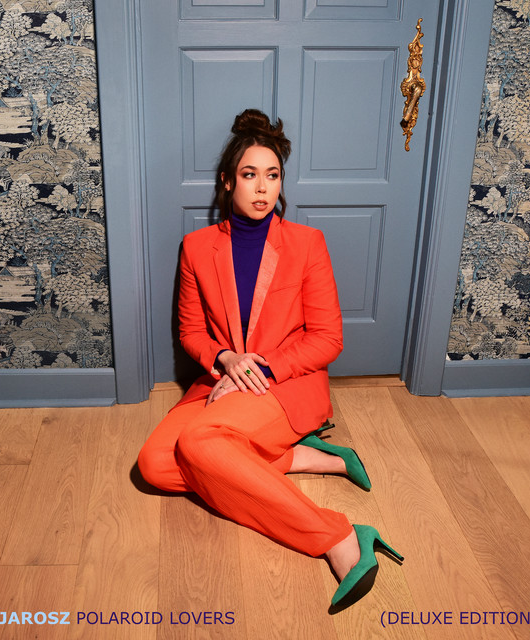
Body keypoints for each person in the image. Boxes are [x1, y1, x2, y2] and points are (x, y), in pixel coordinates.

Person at [138, 109, 403, 613]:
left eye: (273, 175)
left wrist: (257, 369)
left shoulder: (306, 244)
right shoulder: (196, 248)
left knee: (197, 443)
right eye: (249, 175)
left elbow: (328, 339)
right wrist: (225, 358)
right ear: (227, 181)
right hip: (221, 380)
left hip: (285, 383)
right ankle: (306, 458)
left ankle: (340, 536)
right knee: (154, 464)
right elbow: (191, 332)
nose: (262, 188)